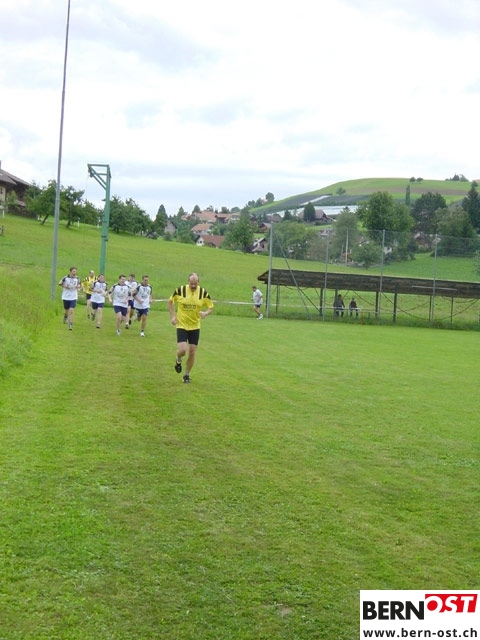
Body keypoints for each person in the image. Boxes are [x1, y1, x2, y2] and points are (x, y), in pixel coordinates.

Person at [167, 272, 214, 383]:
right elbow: (170, 302)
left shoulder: (203, 293)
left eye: (195, 284)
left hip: (195, 326)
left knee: (192, 351)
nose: (193, 286)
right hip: (182, 325)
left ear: (198, 282)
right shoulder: (180, 290)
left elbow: (211, 307)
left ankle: (186, 375)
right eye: (191, 283)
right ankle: (178, 359)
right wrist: (173, 316)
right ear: (188, 282)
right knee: (183, 350)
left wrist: (206, 313)